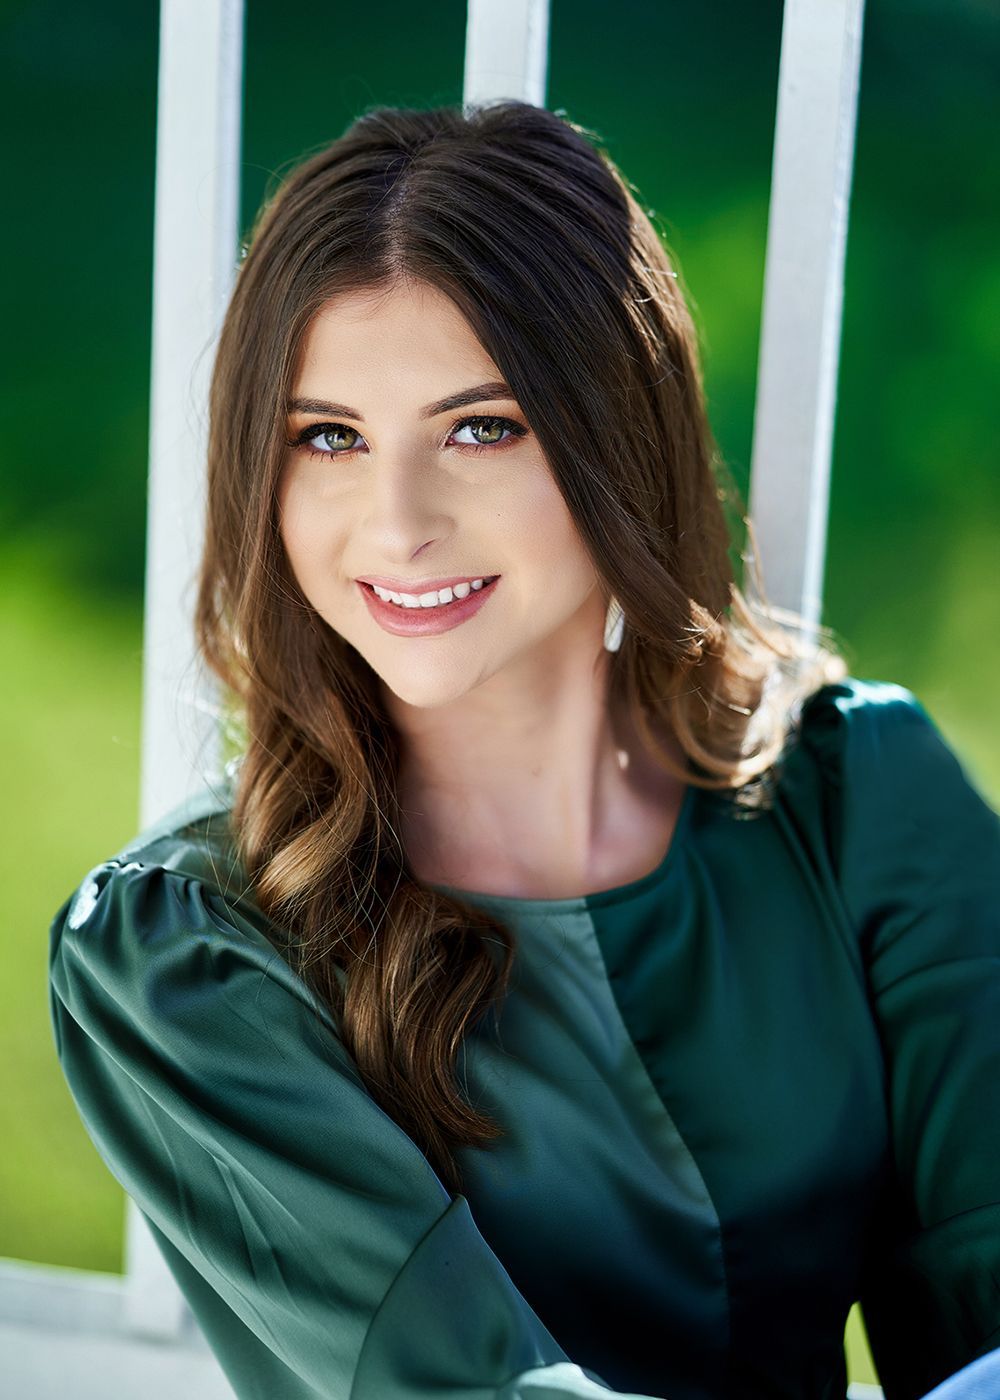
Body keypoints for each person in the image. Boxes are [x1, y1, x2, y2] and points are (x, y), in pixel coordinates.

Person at [48, 100, 1000, 1400]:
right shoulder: (183, 956)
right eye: (328, 437)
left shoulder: (859, 797)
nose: (398, 524)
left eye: (481, 427)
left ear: (616, 433)